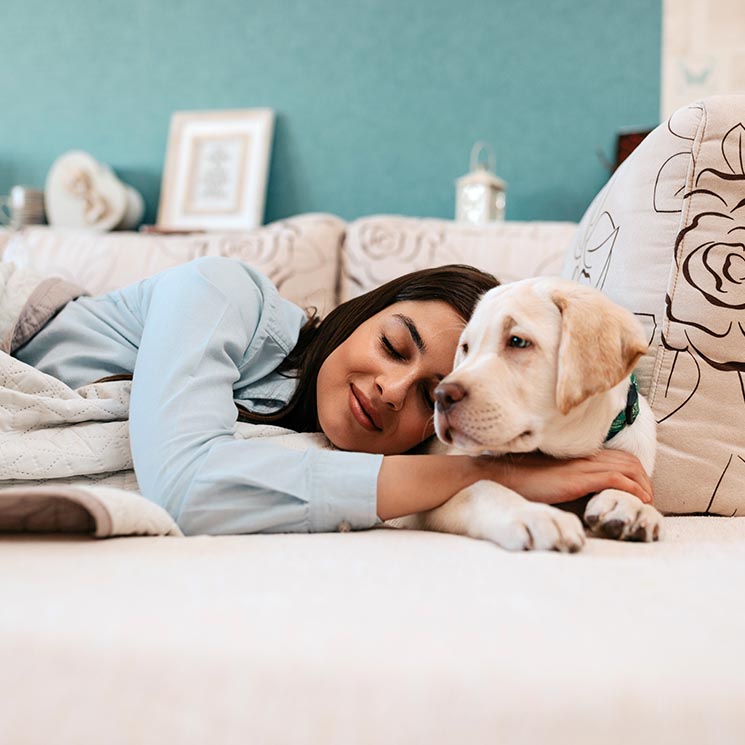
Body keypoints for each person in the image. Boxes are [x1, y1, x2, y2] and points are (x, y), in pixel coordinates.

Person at [13, 257, 654, 535]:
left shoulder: (300, 437)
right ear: (359, 313)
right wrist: (497, 474)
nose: (392, 390)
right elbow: (182, 484)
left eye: (431, 394)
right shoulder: (221, 291)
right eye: (394, 347)